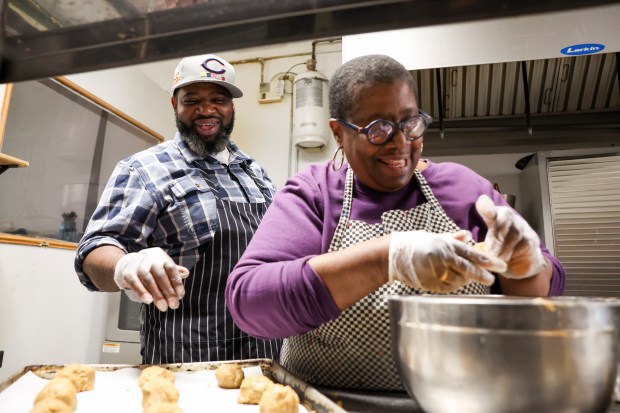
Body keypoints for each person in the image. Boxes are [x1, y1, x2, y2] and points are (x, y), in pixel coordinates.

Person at [226, 54, 566, 391]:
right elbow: (250, 303)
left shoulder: (463, 189)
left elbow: (541, 296)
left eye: (410, 123)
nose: (401, 142)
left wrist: (525, 268)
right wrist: (385, 258)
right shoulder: (314, 193)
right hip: (328, 404)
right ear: (338, 133)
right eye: (379, 129)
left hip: (457, 402)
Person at [75, 54, 281, 364]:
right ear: (175, 104)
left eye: (218, 99)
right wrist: (125, 267)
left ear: (232, 107)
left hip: (265, 350)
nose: (206, 110)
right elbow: (93, 251)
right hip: (185, 356)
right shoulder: (143, 169)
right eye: (192, 100)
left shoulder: (255, 173)